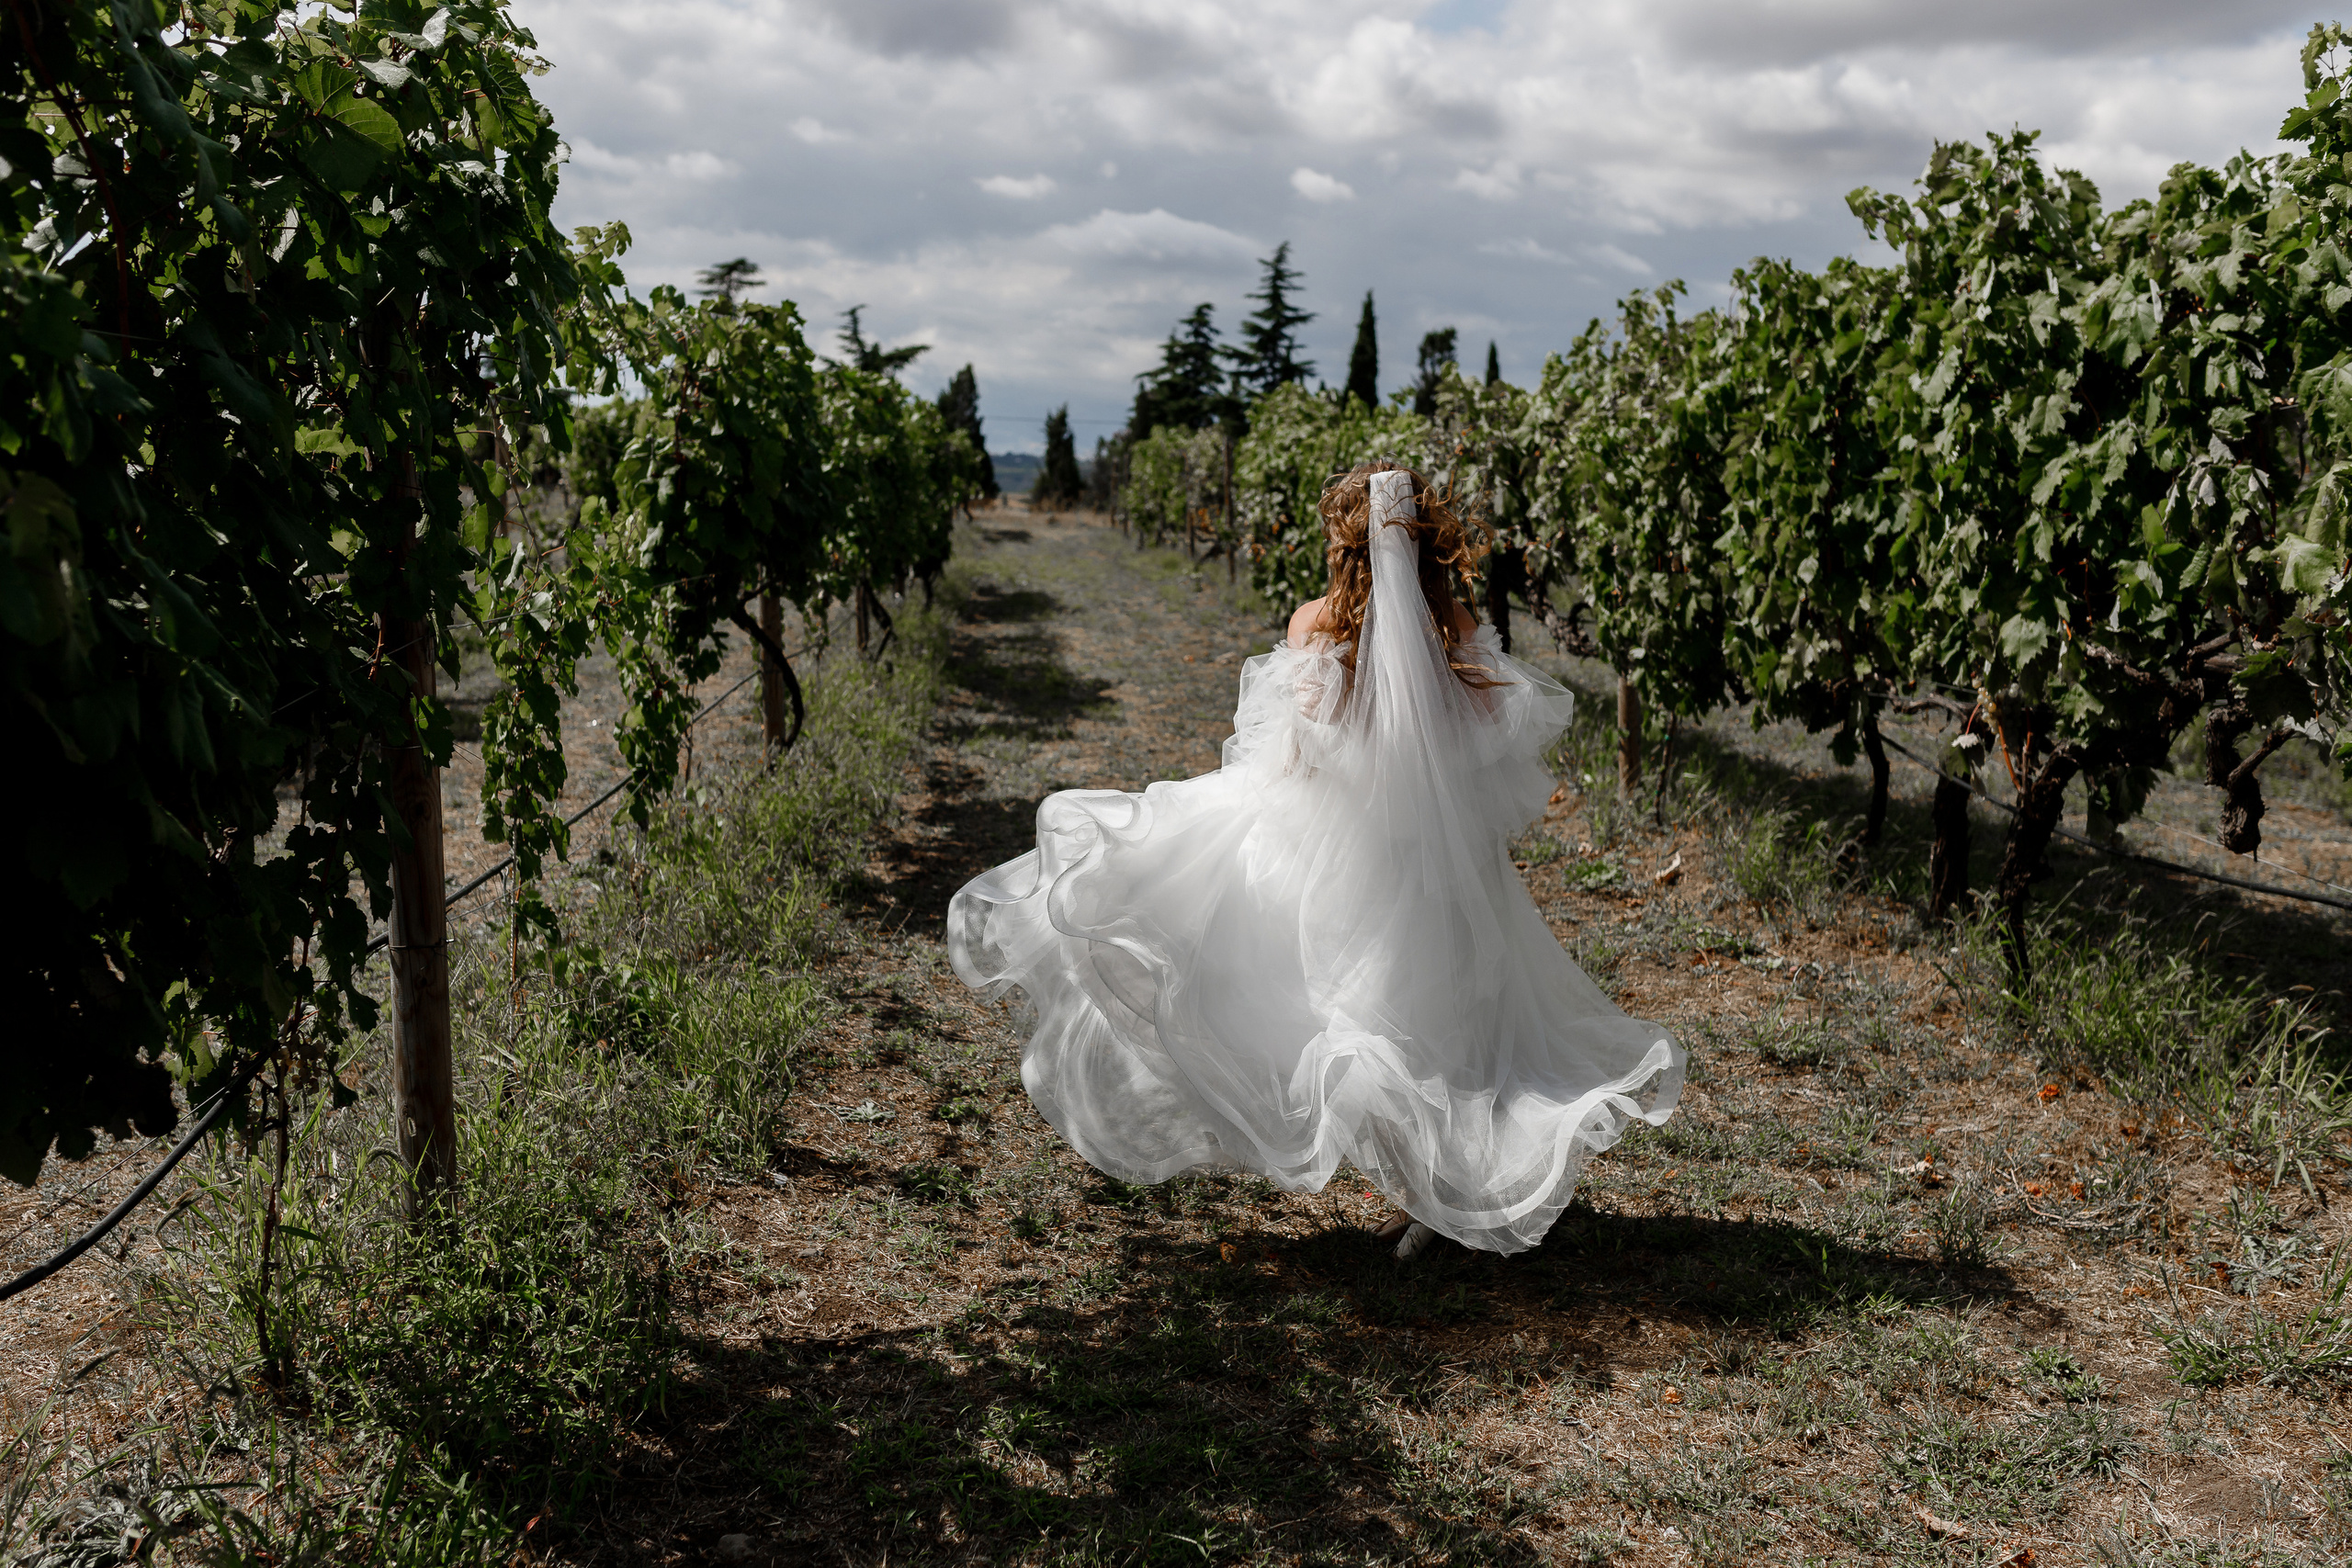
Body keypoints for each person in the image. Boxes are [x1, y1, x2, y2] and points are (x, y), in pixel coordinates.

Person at [947, 463, 1684, 1258]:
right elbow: (1491, 740)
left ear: (1345, 545)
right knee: (1447, 1018)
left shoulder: (1315, 625)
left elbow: (1299, 753)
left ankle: (1424, 1194)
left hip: (1339, 851)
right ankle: (1442, 1196)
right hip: (1442, 864)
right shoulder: (1458, 627)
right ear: (1422, 541)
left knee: (1333, 1004)